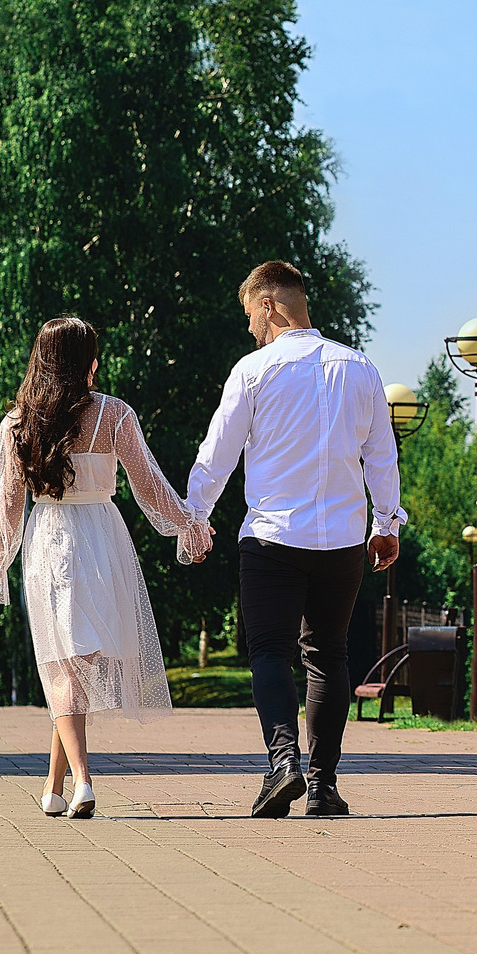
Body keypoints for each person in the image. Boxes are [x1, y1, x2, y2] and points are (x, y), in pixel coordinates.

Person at [185, 260, 403, 818]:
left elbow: (218, 454)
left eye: (250, 316)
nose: (249, 329)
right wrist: (386, 524)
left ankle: (283, 763)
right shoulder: (361, 369)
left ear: (269, 305)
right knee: (328, 655)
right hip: (343, 542)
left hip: (273, 537)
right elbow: (381, 454)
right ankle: (324, 785)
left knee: (269, 652)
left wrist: (194, 519)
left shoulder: (253, 371)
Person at [0, 316, 203, 816]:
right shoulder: (114, 414)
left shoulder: (17, 423)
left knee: (66, 664)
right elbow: (150, 484)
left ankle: (77, 783)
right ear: (87, 362)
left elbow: (8, 507)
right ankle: (60, 786)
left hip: (49, 542)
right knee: (75, 663)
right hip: (102, 537)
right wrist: (188, 521)